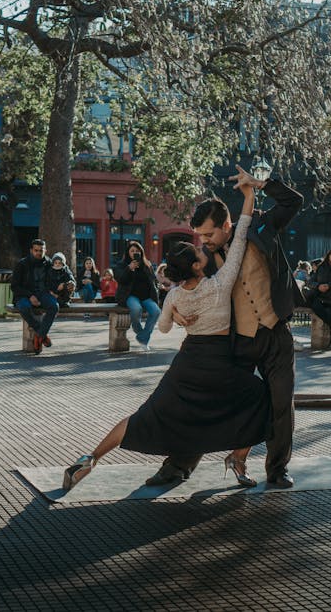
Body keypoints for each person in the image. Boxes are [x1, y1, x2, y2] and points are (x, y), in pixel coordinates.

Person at [63, 179, 271, 491]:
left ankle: (89, 458)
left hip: (186, 366)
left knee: (142, 417)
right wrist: (249, 196)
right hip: (218, 365)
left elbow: (162, 328)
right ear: (197, 266)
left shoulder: (173, 296)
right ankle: (237, 457)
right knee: (263, 398)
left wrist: (175, 316)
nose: (202, 248)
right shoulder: (219, 285)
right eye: (198, 251)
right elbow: (240, 234)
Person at [146, 166, 304, 489]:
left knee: (280, 402)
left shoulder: (260, 224)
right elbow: (185, 289)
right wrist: (176, 313)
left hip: (275, 332)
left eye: (208, 234)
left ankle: (277, 468)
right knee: (210, 400)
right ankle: (178, 465)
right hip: (238, 340)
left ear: (227, 224)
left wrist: (261, 184)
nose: (203, 242)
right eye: (200, 236)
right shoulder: (204, 258)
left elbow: (294, 202)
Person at [11, 239, 58, 355]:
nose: (38, 253)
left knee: (54, 306)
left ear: (45, 250)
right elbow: (14, 286)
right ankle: (42, 334)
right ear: (31, 250)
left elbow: (59, 276)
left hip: (43, 294)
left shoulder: (49, 263)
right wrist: (30, 295)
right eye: (36, 250)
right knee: (24, 307)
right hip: (24, 294)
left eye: (41, 250)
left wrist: (58, 289)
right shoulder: (22, 264)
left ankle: (39, 336)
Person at [115, 241, 161, 351]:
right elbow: (120, 279)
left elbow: (153, 280)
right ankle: (141, 333)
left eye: (137, 251)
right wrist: (129, 268)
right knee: (136, 309)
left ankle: (142, 337)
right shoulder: (121, 265)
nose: (135, 253)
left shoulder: (147, 264)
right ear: (128, 253)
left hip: (146, 296)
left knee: (156, 311)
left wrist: (157, 289)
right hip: (130, 296)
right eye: (132, 251)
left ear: (141, 252)